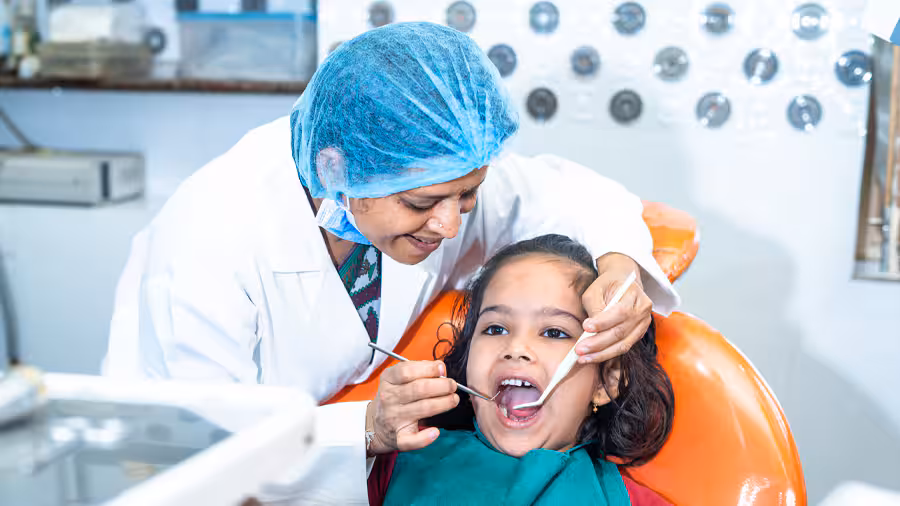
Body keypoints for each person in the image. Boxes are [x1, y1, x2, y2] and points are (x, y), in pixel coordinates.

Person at [103, 22, 679, 503]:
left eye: (469, 196)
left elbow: (570, 193)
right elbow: (204, 445)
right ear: (335, 170)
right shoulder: (213, 240)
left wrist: (620, 266)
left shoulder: (430, 166)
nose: (451, 225)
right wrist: (365, 429)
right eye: (421, 204)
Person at [367, 234, 674, 505]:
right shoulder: (394, 465)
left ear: (607, 381)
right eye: (496, 328)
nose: (515, 348)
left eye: (554, 332)